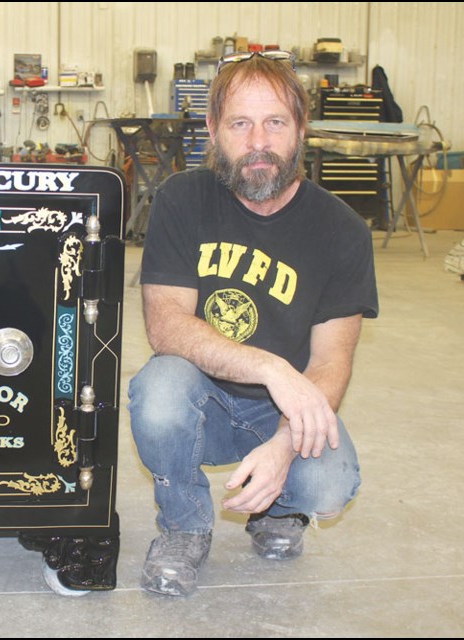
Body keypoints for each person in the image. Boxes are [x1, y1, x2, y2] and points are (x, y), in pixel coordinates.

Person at [128, 51, 379, 597]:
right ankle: (183, 527)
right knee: (159, 388)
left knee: (331, 483)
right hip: (203, 399)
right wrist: (270, 367)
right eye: (240, 123)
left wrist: (287, 446)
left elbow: (332, 362)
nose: (258, 141)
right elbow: (166, 326)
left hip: (280, 414)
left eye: (275, 123)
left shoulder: (343, 232)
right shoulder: (181, 200)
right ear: (214, 131)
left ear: (301, 130)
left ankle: (278, 511)